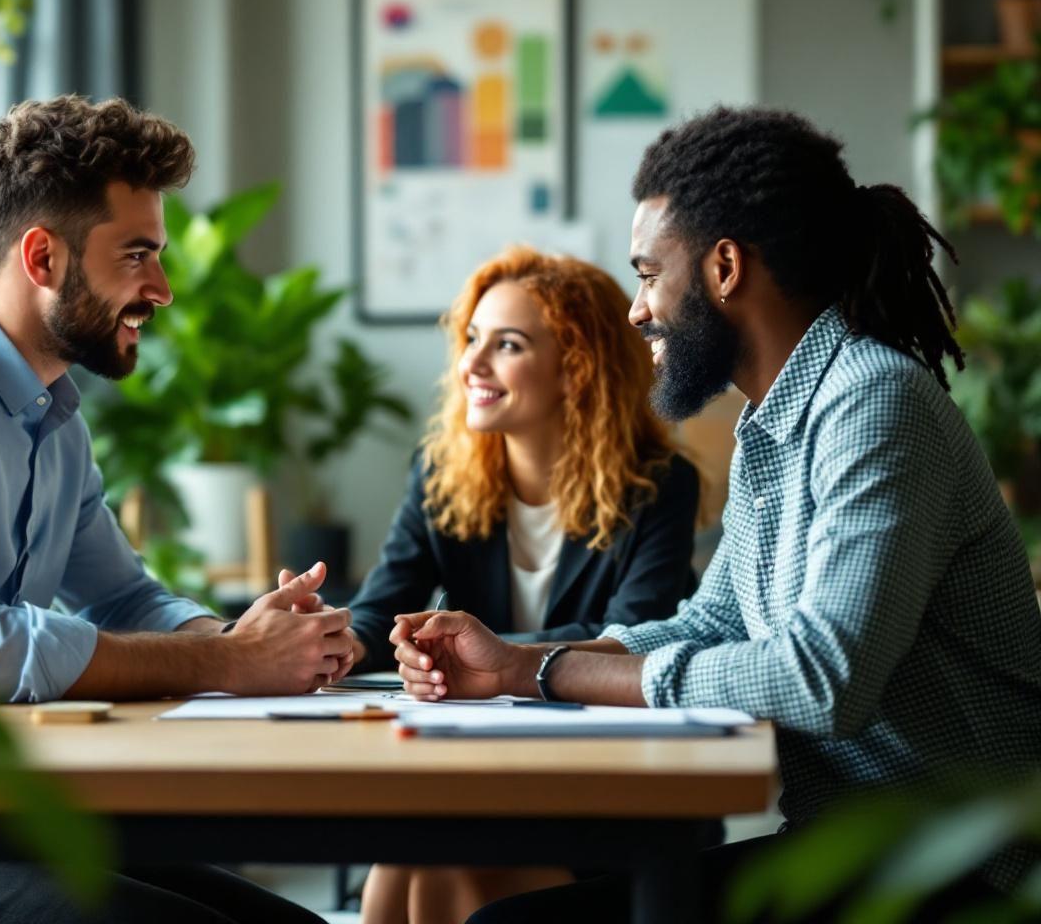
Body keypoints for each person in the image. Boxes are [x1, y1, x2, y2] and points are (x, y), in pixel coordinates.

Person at [389, 107, 1041, 922]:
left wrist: (537, 673)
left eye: (647, 273)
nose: (637, 309)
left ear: (724, 267)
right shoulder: (778, 423)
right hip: (856, 850)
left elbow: (819, 680)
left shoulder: (875, 404)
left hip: (958, 871)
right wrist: (514, 661)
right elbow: (715, 619)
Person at [0, 96, 348, 923]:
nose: (162, 289)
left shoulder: (51, 417)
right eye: (137, 255)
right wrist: (230, 663)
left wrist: (247, 639)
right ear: (43, 257)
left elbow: (123, 598)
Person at [347, 246, 700, 924]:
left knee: (441, 856)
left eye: (506, 345)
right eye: (472, 338)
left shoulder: (658, 486)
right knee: (405, 856)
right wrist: (327, 639)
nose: (472, 364)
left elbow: (629, 637)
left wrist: (488, 657)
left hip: (606, 779)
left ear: (576, 368)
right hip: (479, 763)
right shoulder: (439, 474)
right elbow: (380, 609)